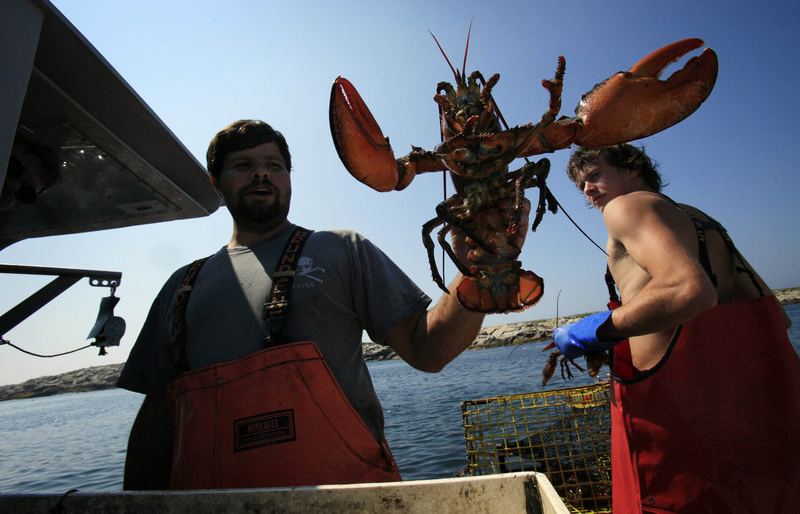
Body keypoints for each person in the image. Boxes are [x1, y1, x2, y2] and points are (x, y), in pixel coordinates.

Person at [117, 119, 531, 490]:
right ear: (216, 183)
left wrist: (478, 267)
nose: (262, 172)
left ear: (290, 179)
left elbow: (430, 349)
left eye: (274, 165)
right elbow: (155, 421)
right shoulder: (180, 287)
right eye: (243, 165)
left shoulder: (341, 249)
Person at [552, 143, 800, 513]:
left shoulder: (626, 207)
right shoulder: (702, 220)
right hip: (747, 419)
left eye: (595, 175)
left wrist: (595, 331)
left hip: (670, 423)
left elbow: (688, 290)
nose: (587, 189)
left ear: (632, 168)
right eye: (580, 185)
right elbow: (775, 317)